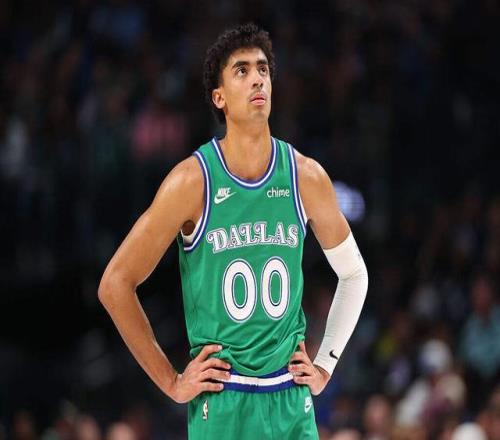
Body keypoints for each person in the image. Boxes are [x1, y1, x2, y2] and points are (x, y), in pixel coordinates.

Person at [98, 23, 368, 439]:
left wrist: (325, 364)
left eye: (263, 69)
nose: (257, 78)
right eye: (241, 70)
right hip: (223, 400)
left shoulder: (305, 176)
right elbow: (115, 284)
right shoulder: (192, 182)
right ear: (219, 97)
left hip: (290, 398)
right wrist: (172, 382)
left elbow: (354, 274)